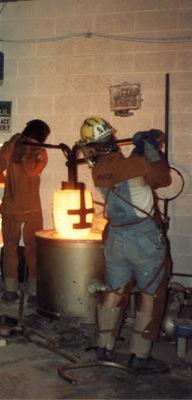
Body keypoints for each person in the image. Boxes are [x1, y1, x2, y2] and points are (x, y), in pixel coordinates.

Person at [78, 116, 171, 374]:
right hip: (142, 238)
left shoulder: (98, 170)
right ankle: (139, 356)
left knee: (114, 290)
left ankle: (104, 346)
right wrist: (151, 147)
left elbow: (113, 165)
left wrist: (139, 150)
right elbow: (163, 178)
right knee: (149, 295)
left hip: (115, 238)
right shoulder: (135, 165)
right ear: (112, 137)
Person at [0, 119, 49, 302]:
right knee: (10, 248)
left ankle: (34, 290)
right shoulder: (13, 146)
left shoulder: (40, 152)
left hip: (31, 209)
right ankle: (11, 288)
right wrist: (8, 149)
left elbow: (31, 170)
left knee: (32, 249)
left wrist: (27, 151)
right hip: (12, 207)